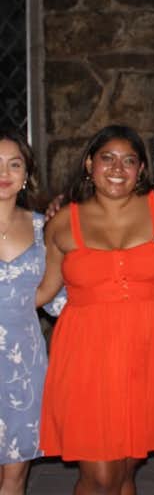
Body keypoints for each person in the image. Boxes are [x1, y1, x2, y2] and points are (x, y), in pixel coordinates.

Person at [36, 124, 154, 495]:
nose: (118, 168)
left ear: (141, 170)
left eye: (129, 160)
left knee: (124, 474)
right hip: (86, 357)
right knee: (99, 477)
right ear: (89, 164)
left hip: (149, 354)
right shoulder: (62, 221)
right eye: (108, 158)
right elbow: (43, 290)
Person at [0, 130, 50, 495]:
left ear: (26, 174)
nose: (5, 172)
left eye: (14, 164)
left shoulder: (42, 228)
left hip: (23, 369)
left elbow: (58, 297)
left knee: (15, 476)